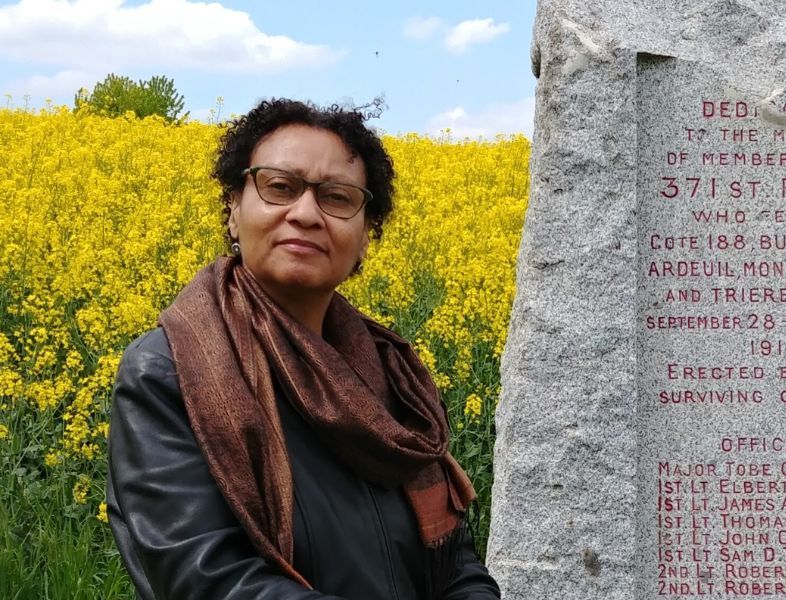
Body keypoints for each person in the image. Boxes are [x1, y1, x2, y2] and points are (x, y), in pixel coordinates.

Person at [105, 99, 501, 600]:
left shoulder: (394, 376)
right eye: (280, 187)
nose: (306, 214)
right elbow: (205, 578)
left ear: (365, 238)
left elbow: (454, 563)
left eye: (337, 198)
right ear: (233, 209)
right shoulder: (168, 373)